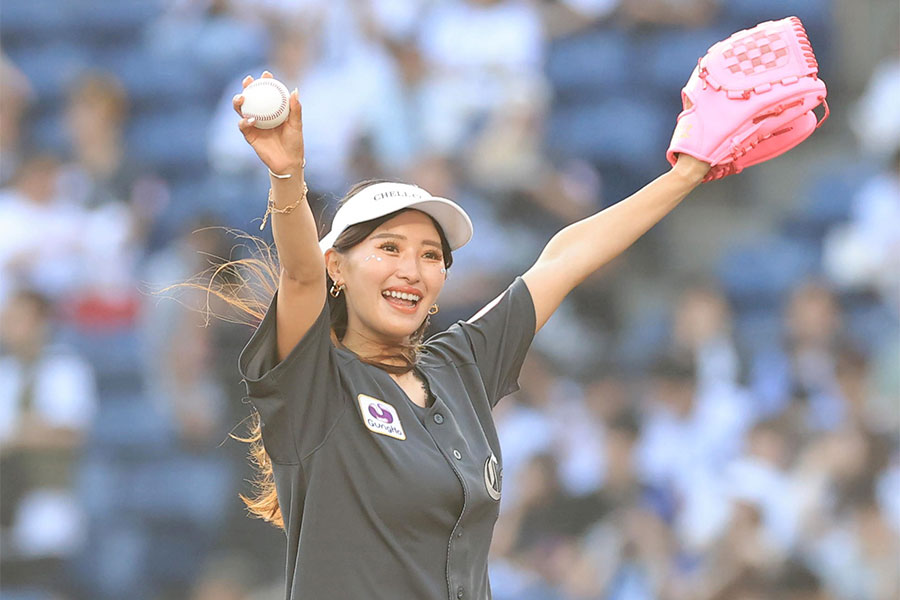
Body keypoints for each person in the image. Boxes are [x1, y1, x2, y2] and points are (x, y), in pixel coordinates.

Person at [223, 71, 710, 600]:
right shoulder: (315, 379)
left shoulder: (460, 367)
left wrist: (685, 174)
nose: (412, 269)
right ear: (336, 267)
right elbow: (299, 276)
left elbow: (564, 259)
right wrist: (288, 178)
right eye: (389, 248)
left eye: (431, 255)